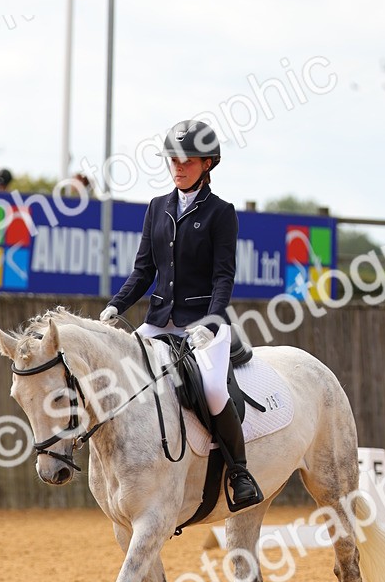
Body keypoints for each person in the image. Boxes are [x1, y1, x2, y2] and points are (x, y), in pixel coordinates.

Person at [99, 119, 263, 511]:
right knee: (121, 376)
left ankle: (239, 472)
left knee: (213, 389)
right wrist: (115, 306)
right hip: (159, 319)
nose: (178, 165)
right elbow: (143, 272)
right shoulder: (157, 208)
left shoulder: (221, 213)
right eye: (173, 158)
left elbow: (224, 276)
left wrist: (211, 322)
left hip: (204, 322)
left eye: (187, 160)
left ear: (207, 164)